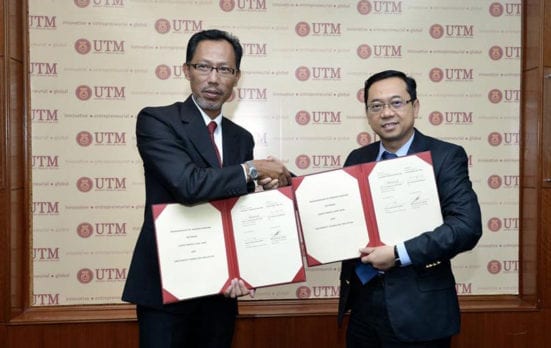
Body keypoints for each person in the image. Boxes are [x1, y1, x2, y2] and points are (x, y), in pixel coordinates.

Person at [122, 29, 292, 348]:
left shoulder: (242, 138)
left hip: (220, 289)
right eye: (204, 67)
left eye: (224, 69)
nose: (214, 79)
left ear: (236, 77)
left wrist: (272, 186)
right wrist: (252, 169)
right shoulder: (157, 121)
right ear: (186, 70)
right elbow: (188, 185)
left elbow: (236, 211)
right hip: (165, 289)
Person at [338, 70, 482, 347]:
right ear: (367, 113)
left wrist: (398, 254)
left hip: (420, 312)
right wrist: (290, 185)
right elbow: (342, 212)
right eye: (376, 106)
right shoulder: (358, 158)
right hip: (363, 307)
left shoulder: (444, 156)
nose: (387, 113)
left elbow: (466, 227)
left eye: (396, 102)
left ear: (415, 106)